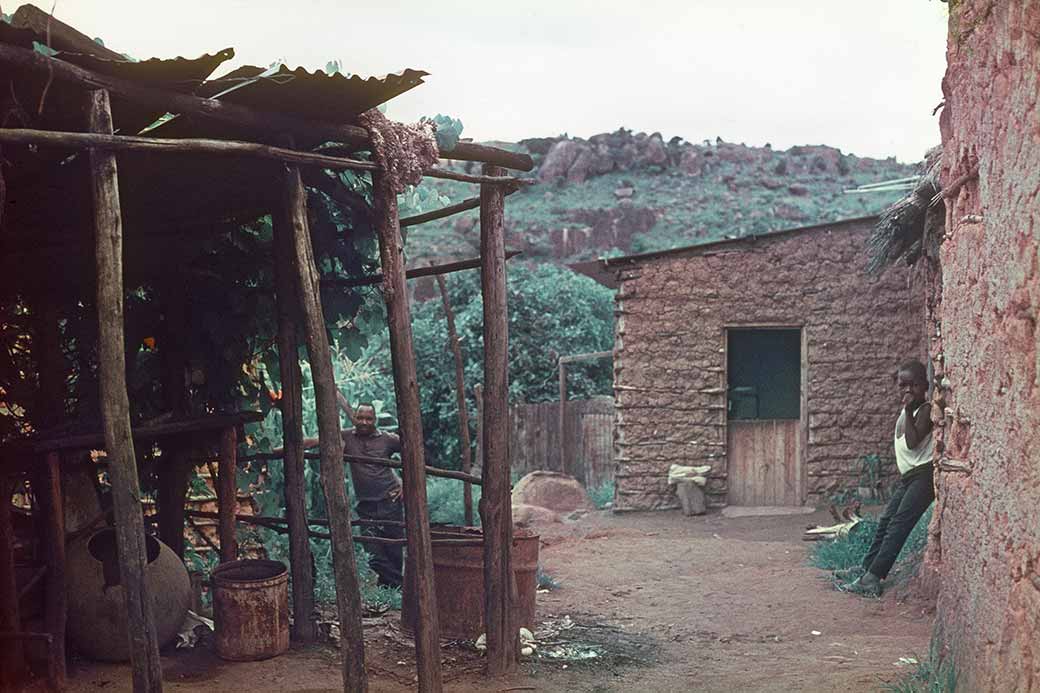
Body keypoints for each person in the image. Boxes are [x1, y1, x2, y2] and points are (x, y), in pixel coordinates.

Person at [840, 359, 935, 597]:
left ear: (924, 385)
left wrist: (906, 409)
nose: (907, 391)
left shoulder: (925, 410)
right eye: (902, 386)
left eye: (913, 385)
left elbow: (913, 444)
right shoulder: (911, 411)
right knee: (886, 523)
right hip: (910, 477)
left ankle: (873, 578)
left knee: (898, 526)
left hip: (923, 476)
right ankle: (866, 569)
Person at [295, 402, 405, 589]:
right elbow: (314, 441)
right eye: (360, 417)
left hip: (390, 501)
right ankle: (400, 586)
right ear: (354, 418)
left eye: (368, 418)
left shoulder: (388, 440)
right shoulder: (346, 437)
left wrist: (405, 483)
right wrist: (284, 448)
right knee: (373, 552)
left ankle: (390, 589)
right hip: (366, 505)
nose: (364, 422)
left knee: (393, 549)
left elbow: (413, 451)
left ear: (375, 420)